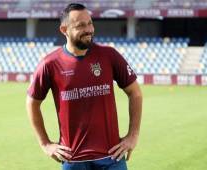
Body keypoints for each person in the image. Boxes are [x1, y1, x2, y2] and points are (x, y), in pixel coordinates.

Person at [26, 3, 142, 170]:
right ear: (64, 30)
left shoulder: (109, 56)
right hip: (73, 160)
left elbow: (135, 93)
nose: (89, 29)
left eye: (90, 23)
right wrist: (45, 144)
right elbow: (32, 102)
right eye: (80, 25)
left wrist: (133, 135)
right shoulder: (50, 64)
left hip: (112, 157)